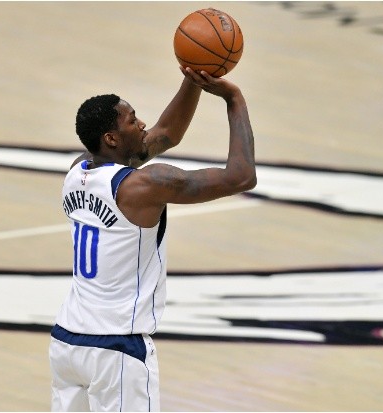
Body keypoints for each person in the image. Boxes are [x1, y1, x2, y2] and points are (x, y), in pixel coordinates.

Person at [49, 67, 256, 412]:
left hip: (68, 342)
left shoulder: (78, 169)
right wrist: (233, 98)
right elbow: (241, 176)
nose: (142, 124)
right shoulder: (143, 186)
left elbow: (167, 134)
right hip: (116, 347)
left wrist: (193, 77)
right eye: (132, 121)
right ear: (112, 139)